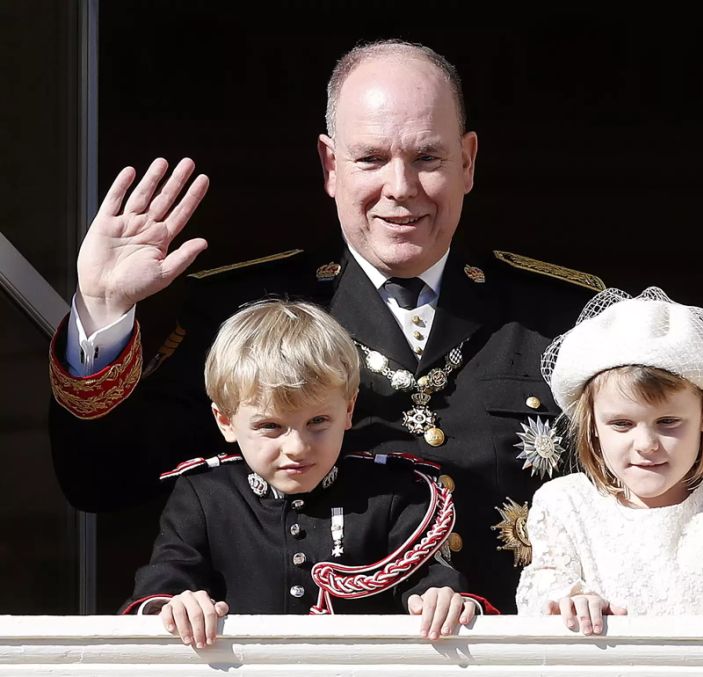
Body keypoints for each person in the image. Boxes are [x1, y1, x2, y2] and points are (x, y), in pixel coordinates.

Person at [48, 39, 603, 613]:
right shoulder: (241, 312)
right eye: (371, 159)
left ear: (467, 162)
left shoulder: (566, 317)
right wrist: (103, 309)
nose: (400, 187)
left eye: (427, 158)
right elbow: (101, 481)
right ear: (330, 166)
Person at [122, 299, 488, 645]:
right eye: (270, 426)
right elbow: (164, 582)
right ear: (226, 421)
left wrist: (441, 599)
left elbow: (430, 580)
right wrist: (175, 604)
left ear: (348, 409)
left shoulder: (393, 493)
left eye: (317, 421)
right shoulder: (205, 495)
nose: (297, 447)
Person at [515, 286, 703, 650]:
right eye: (622, 424)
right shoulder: (564, 504)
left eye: (669, 422)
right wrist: (568, 604)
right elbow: (542, 593)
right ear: (592, 423)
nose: (646, 444)